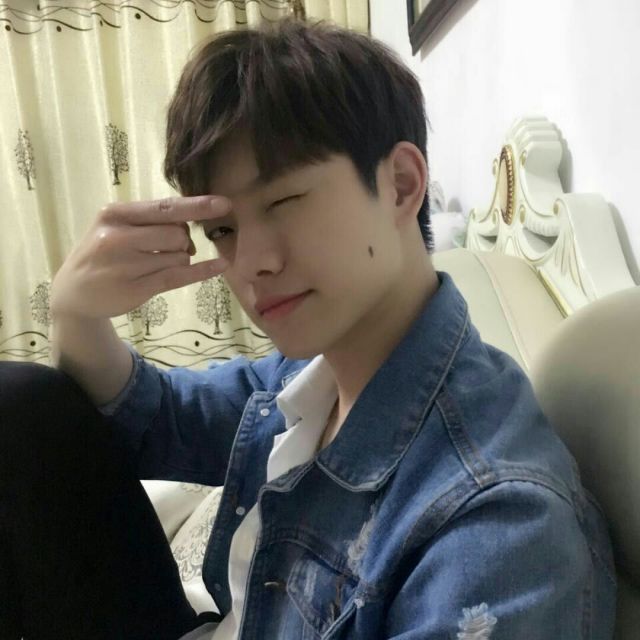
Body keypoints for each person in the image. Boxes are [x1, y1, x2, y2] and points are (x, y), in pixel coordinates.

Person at [0, 17, 616, 640]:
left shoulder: (494, 526)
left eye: (282, 202)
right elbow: (161, 419)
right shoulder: (311, 373)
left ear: (401, 186)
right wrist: (76, 314)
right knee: (19, 402)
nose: (250, 263)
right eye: (223, 230)